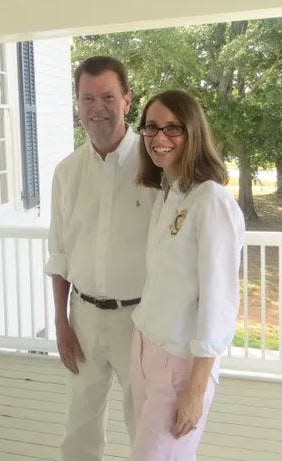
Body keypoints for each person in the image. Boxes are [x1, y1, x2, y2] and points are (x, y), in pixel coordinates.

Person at [45, 56, 156, 461]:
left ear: (127, 99)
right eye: (87, 98)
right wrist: (61, 321)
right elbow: (59, 253)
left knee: (144, 421)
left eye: (107, 96)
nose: (97, 108)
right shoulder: (66, 172)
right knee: (80, 425)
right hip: (84, 317)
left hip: (141, 320)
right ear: (78, 104)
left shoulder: (155, 166)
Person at [130, 89, 245, 460]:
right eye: (151, 127)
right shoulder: (169, 192)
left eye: (172, 128)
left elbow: (219, 301)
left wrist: (195, 391)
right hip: (146, 347)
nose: (159, 138)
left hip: (181, 362)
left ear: (193, 131)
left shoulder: (211, 201)